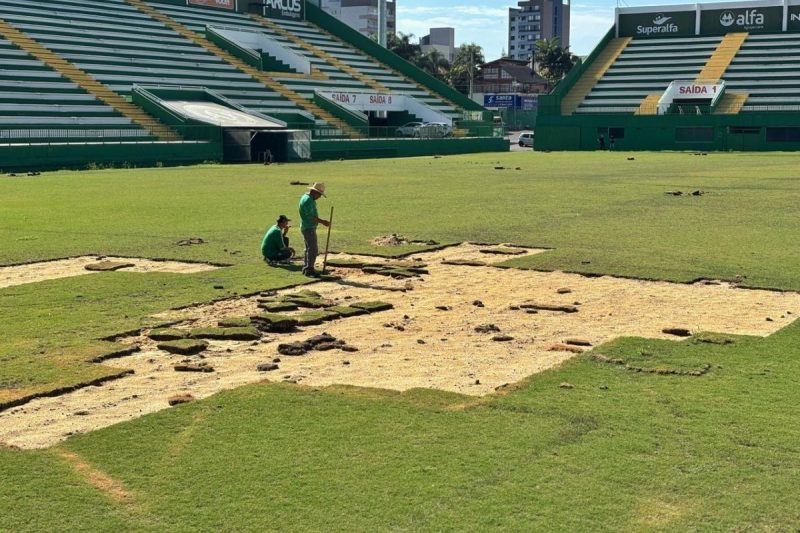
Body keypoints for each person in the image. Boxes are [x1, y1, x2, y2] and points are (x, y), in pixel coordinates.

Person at [298, 182, 330, 277]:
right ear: (314, 192)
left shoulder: (307, 197)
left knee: (308, 248)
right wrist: (323, 221)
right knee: (313, 249)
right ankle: (309, 269)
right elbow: (311, 216)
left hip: (306, 226)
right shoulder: (308, 200)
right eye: (319, 195)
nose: (319, 197)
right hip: (309, 227)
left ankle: (307, 267)